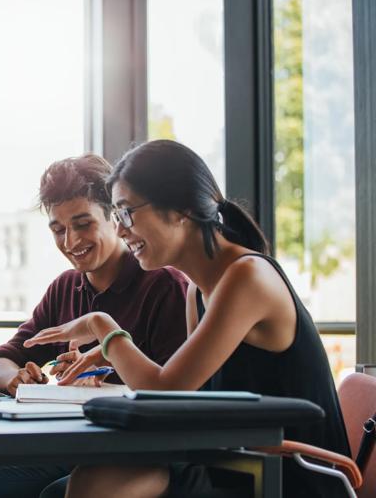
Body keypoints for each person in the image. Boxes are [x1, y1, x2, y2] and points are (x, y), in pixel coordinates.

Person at [23, 140, 350, 498]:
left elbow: (163, 391)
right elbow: (183, 401)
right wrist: (111, 352)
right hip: (233, 463)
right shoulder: (198, 291)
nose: (120, 230)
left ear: (180, 209)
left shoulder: (247, 277)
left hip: (288, 477)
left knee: (93, 485)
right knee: (81, 484)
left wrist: (103, 328)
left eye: (127, 213)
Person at [0, 153, 189, 498]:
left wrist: (108, 366)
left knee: (57, 494)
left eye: (83, 224)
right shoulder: (65, 287)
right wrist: (14, 379)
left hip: (140, 454)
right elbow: (0, 362)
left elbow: (176, 394)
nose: (70, 242)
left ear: (115, 217)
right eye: (58, 229)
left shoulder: (163, 285)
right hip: (73, 448)